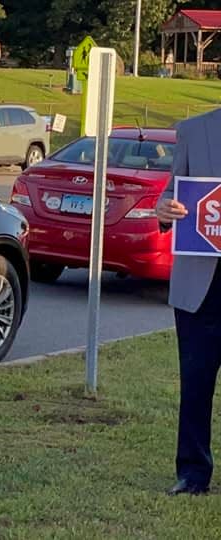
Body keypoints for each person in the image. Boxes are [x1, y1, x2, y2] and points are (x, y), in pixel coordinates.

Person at [155, 107, 221, 496]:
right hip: (200, 287)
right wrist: (165, 211)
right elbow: (171, 193)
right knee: (195, 386)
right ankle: (193, 473)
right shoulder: (194, 131)